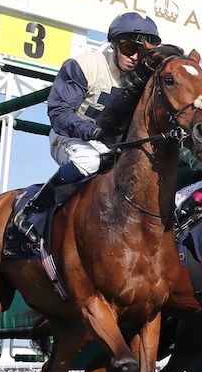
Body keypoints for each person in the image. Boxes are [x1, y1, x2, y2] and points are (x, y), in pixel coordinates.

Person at [14, 12, 162, 243]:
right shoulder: (85, 65)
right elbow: (59, 113)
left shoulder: (145, 80)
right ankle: (32, 211)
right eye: (127, 47)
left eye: (141, 51)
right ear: (113, 43)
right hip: (68, 137)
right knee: (90, 160)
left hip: (111, 144)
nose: (134, 56)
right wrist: (94, 133)